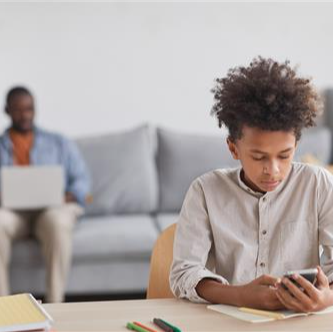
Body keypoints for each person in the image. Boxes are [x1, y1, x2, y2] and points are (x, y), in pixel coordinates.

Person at [170, 57, 333, 313]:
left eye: (284, 155)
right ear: (233, 148)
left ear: (297, 146)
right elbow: (183, 274)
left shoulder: (318, 184)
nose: (273, 170)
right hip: (227, 322)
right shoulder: (205, 191)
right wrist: (241, 296)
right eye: (258, 157)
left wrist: (327, 298)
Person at [0, 86, 90, 303]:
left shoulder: (59, 142)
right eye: (19, 110)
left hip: (51, 210)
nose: (25, 115)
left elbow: (82, 181)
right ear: (7, 110)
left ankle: (55, 304)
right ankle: (3, 308)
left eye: (29, 109)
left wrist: (66, 196)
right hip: (13, 214)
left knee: (57, 221)